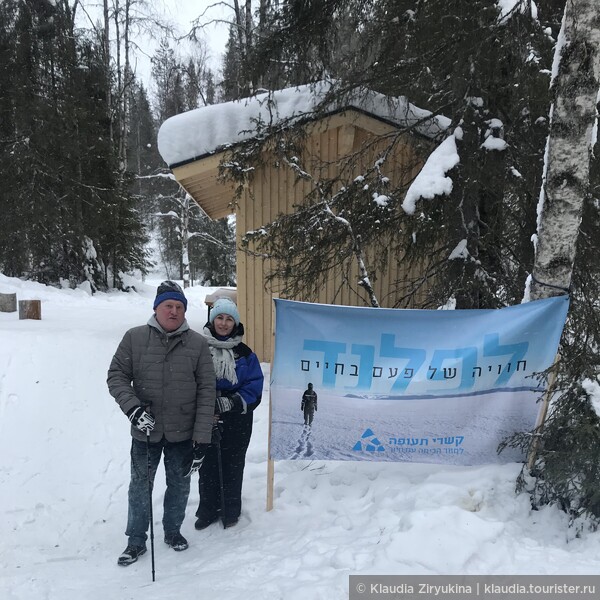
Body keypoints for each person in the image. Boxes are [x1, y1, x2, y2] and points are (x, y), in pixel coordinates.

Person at [107, 280, 216, 566]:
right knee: (140, 486)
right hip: (145, 430)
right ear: (156, 308)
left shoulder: (198, 344)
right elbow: (116, 376)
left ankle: (172, 531)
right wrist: (132, 409)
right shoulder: (134, 338)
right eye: (168, 305)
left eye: (180, 307)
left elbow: (207, 391)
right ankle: (136, 540)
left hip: (183, 432)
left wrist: (202, 437)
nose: (174, 312)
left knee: (179, 486)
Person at [194, 297, 264, 530]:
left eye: (229, 319)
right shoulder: (198, 348)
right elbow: (188, 380)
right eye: (220, 318)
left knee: (233, 464)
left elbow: (254, 386)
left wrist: (230, 402)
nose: (224, 323)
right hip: (206, 415)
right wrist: (206, 404)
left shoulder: (245, 353)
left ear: (236, 323)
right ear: (213, 321)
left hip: (237, 418)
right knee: (208, 464)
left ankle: (230, 510)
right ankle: (207, 511)